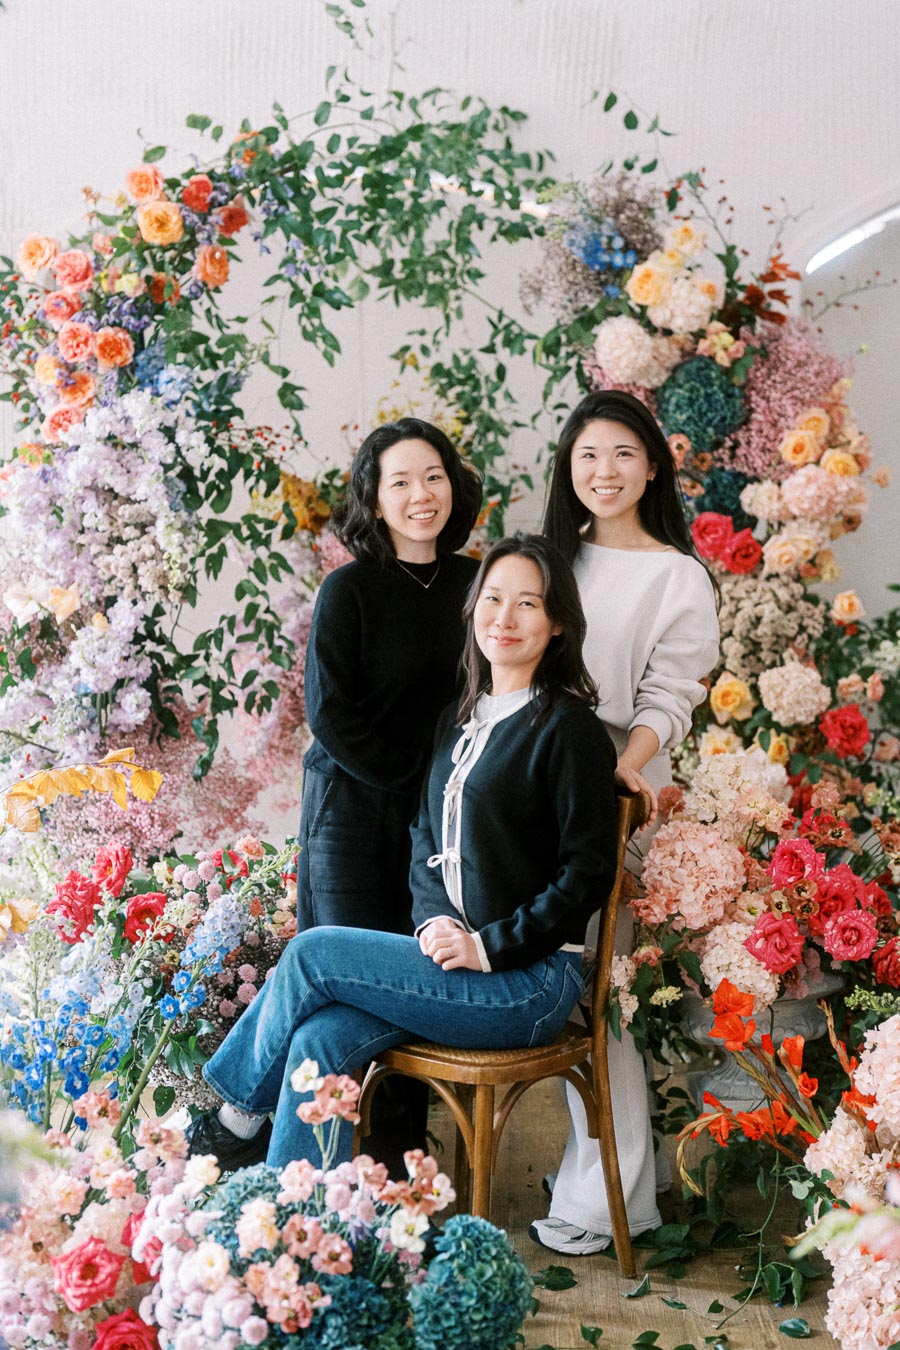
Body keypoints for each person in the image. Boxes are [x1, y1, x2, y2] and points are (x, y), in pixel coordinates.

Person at [188, 535, 620, 1172]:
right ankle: (298, 1226)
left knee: (312, 952)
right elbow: (425, 838)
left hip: (526, 986)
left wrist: (486, 946)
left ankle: (232, 1119)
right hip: (455, 970)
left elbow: (587, 874)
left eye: (527, 604)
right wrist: (435, 919)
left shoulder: (569, 727)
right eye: (493, 599)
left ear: (557, 624)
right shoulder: (459, 719)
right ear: (473, 610)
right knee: (317, 1038)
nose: (505, 618)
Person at [187, 418, 482, 1170]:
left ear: (455, 483)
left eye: (435, 475)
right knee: (345, 994)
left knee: (414, 986)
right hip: (352, 818)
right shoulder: (348, 588)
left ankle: (394, 1167)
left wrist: (445, 800)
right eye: (402, 482)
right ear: (374, 500)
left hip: (438, 827)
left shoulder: (477, 585)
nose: (423, 495)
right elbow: (332, 717)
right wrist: (418, 788)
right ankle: (278, 1144)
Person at [531, 389, 720, 1257]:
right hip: (530, 785)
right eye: (586, 457)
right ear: (568, 470)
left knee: (605, 999)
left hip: (615, 795)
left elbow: (671, 695)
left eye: (621, 455)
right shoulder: (549, 561)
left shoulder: (676, 574)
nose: (602, 473)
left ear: (652, 466)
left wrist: (627, 769)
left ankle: (611, 1200)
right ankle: (595, 1175)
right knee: (562, 995)